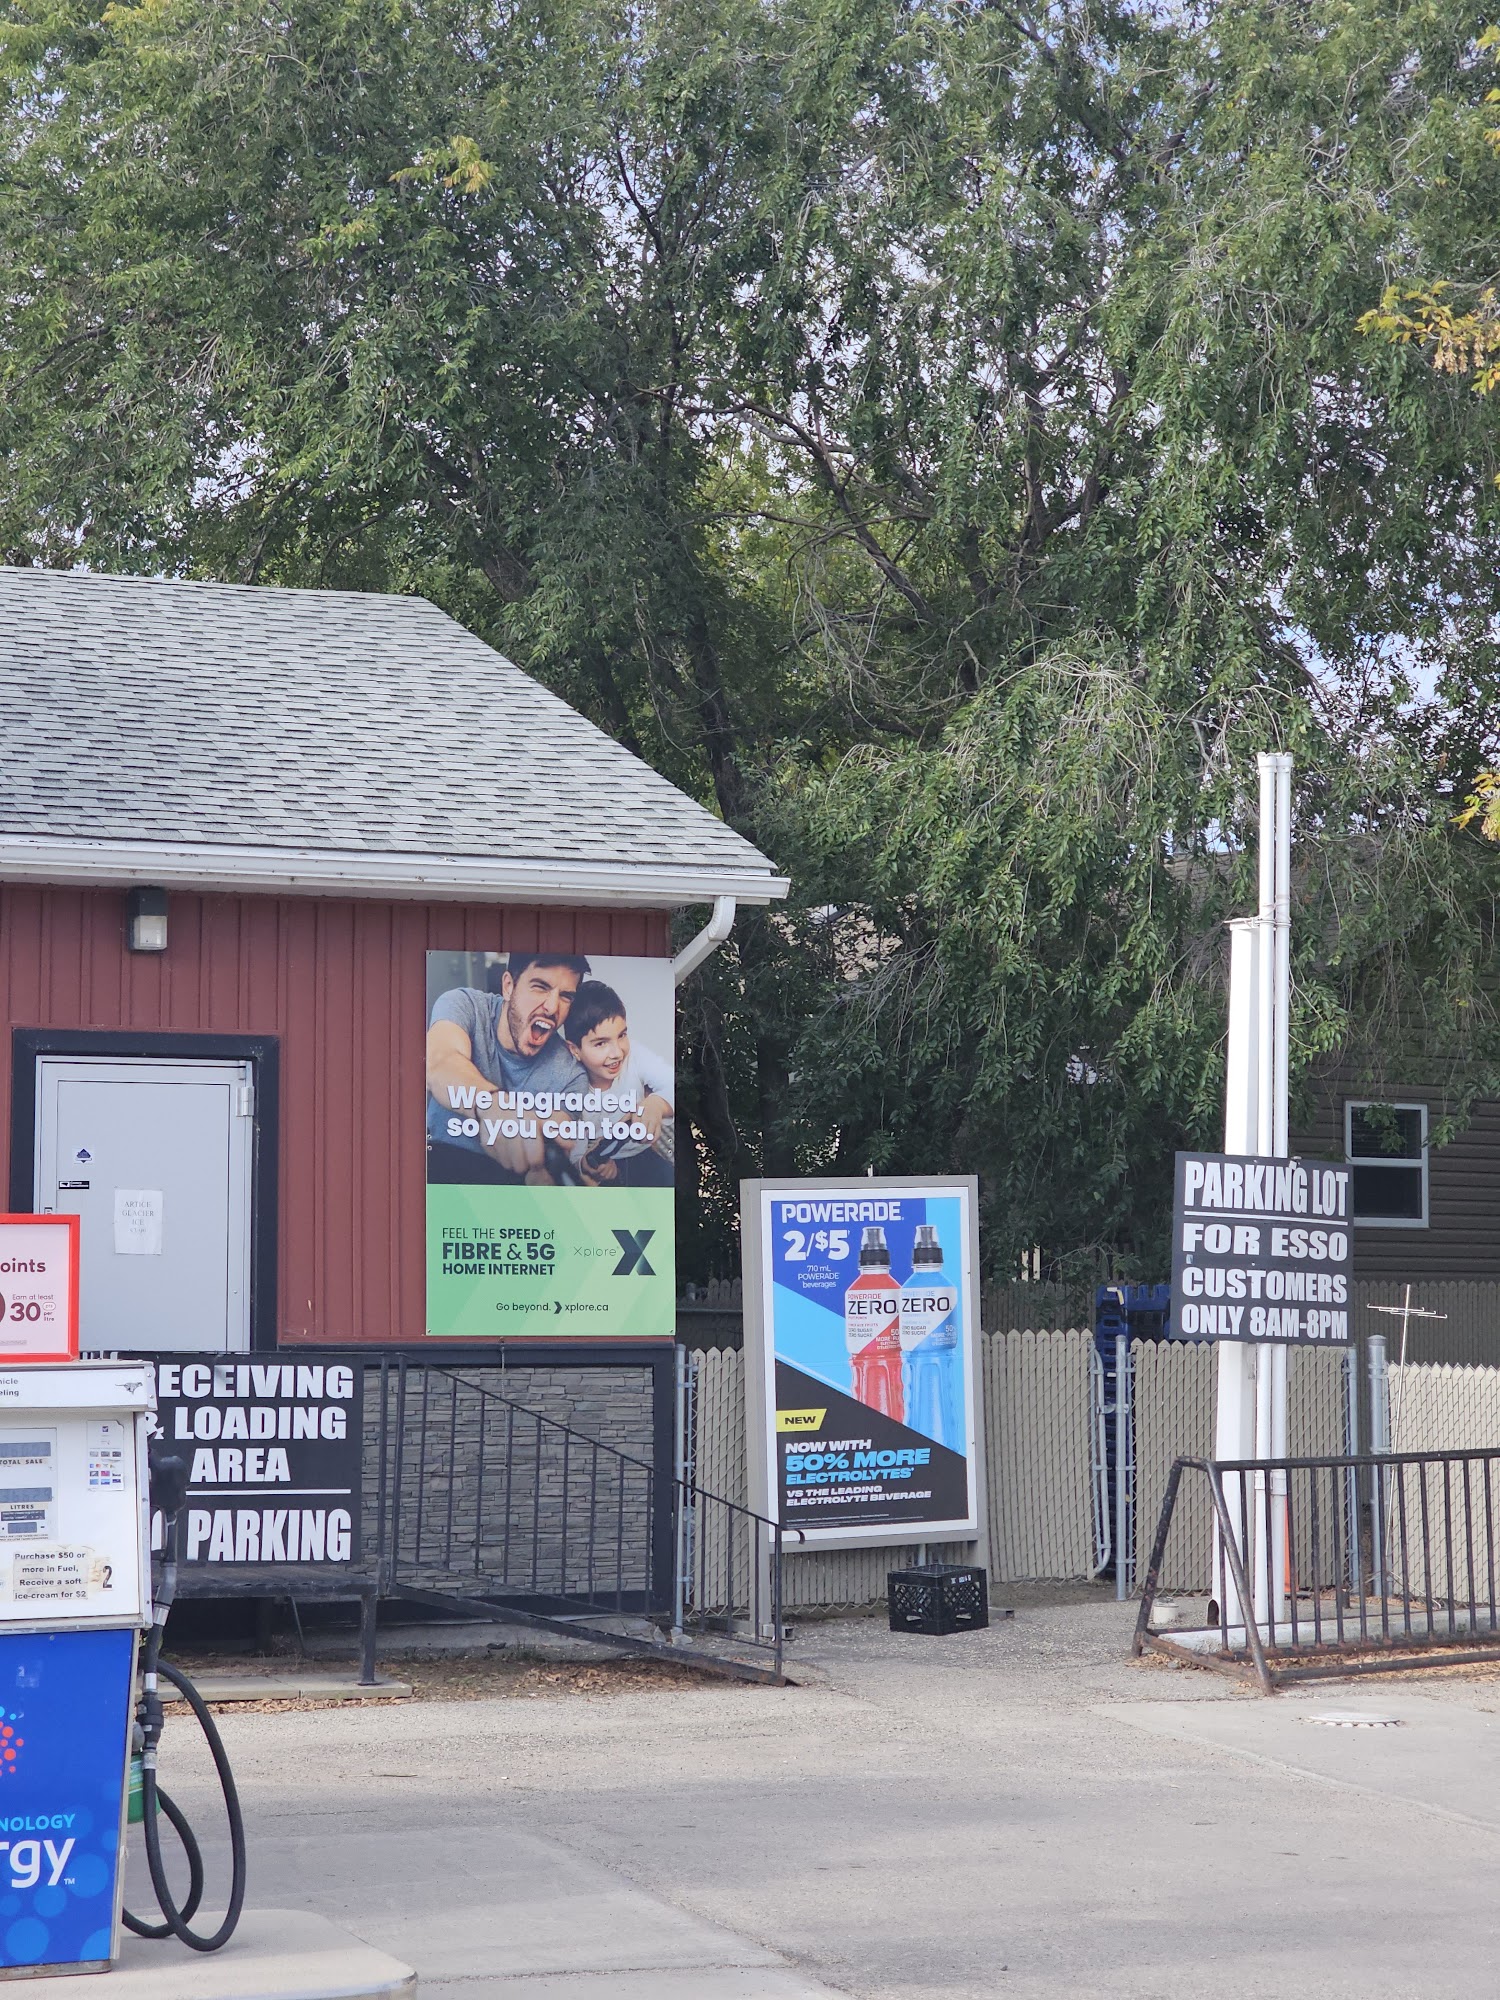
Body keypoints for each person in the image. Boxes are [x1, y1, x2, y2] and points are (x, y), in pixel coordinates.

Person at [426, 953, 589, 1184]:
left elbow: (553, 1147)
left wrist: (540, 1171)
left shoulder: (572, 1076)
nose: (553, 1008)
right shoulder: (465, 1004)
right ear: (508, 986)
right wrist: (493, 1106)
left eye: (565, 996)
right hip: (438, 1167)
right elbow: (441, 1060)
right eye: (540, 987)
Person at [561, 979, 674, 1188]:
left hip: (642, 1155)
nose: (617, 1052)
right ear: (575, 1050)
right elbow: (573, 1152)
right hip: (603, 1163)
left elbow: (672, 1084)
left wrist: (657, 1104)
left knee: (667, 1179)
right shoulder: (570, 1084)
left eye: (621, 1035)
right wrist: (587, 1165)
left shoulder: (635, 1055)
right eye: (601, 1043)